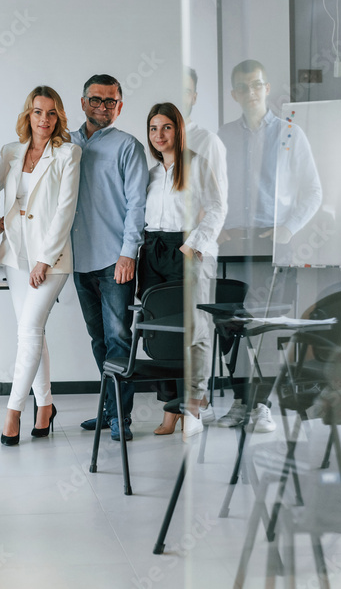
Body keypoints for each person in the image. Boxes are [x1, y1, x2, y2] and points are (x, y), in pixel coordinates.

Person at [215, 59, 322, 433]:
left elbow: (313, 190)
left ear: (266, 88)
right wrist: (219, 230)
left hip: (272, 243)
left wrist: (289, 228)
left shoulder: (290, 134)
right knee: (230, 325)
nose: (251, 92)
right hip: (232, 244)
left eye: (256, 85)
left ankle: (261, 405)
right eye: (243, 87)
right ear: (234, 94)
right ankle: (240, 402)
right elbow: (209, 189)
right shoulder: (223, 136)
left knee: (265, 326)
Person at [0, 86, 81, 446]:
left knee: (29, 330)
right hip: (15, 253)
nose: (44, 120)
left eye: (51, 113)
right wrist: (0, 220)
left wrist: (44, 259)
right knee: (32, 331)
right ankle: (45, 405)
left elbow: (65, 210)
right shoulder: (10, 151)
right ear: (27, 115)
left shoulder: (68, 153)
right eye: (37, 112)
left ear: (59, 117)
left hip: (51, 257)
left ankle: (13, 411)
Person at [139, 103, 227, 438]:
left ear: (178, 129)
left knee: (195, 329)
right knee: (160, 330)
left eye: (166, 128)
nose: (159, 135)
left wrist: (193, 244)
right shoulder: (152, 173)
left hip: (187, 249)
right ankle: (169, 407)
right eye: (153, 129)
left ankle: (194, 404)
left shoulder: (196, 164)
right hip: (153, 252)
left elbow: (217, 208)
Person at [70, 74, 148, 442]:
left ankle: (122, 417)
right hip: (76, 260)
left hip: (114, 260)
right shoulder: (64, 144)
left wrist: (127, 254)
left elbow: (137, 205)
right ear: (83, 102)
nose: (103, 107)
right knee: (98, 339)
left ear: (120, 105)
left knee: (118, 338)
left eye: (110, 101)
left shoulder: (128, 147)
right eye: (96, 100)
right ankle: (107, 409)